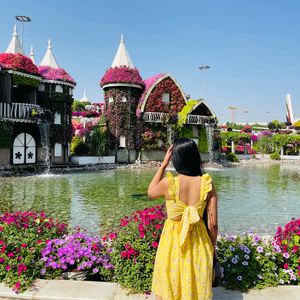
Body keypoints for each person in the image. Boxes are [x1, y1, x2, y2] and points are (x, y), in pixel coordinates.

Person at [148, 138, 218, 300]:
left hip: (172, 241)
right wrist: (212, 247)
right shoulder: (207, 183)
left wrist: (163, 165)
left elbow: (150, 192)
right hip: (198, 240)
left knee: (170, 283)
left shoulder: (169, 183)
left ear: (176, 159)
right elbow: (213, 224)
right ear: (195, 158)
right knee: (195, 283)